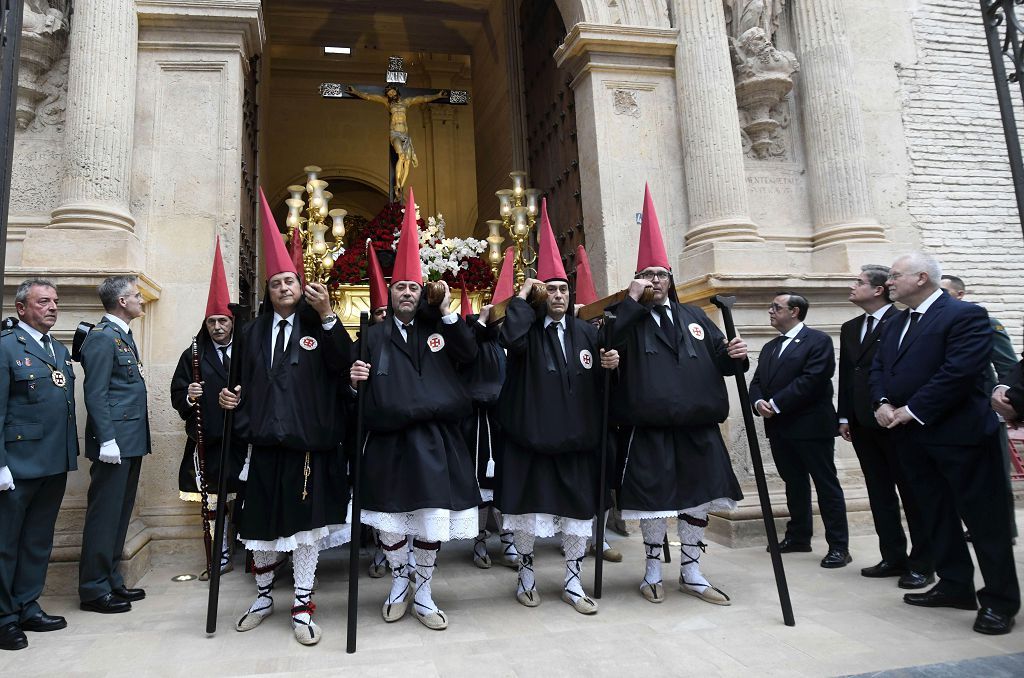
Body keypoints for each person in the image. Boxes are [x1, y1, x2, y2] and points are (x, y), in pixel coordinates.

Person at [221, 188, 352, 646]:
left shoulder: (320, 326)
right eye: (276, 283)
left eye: (290, 283)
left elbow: (345, 366)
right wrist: (229, 403)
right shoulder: (252, 332)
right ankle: (261, 596)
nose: (283, 289)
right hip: (262, 445)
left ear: (302, 288)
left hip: (306, 447)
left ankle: (302, 602)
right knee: (259, 526)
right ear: (268, 291)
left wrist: (329, 313)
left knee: (303, 532)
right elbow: (237, 382)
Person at [350, 188, 480, 631]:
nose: (406, 293)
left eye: (412, 287)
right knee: (390, 521)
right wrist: (355, 382)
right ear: (389, 291)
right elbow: (353, 383)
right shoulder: (372, 333)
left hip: (436, 439)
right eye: (399, 287)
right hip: (388, 439)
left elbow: (469, 357)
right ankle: (400, 582)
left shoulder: (437, 327)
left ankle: (423, 591)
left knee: (429, 520)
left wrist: (445, 311)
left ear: (421, 291)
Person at [610, 186, 745, 605]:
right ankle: (652, 570)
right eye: (647, 276)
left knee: (697, 498)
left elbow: (722, 361)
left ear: (671, 279)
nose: (655, 281)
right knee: (653, 502)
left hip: (698, 427)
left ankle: (691, 569)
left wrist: (736, 357)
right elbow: (608, 344)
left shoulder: (695, 316)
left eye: (661, 275)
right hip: (648, 427)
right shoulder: (624, 318)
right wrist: (631, 301)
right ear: (637, 281)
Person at [872, 252, 1019, 635]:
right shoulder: (896, 322)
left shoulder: (965, 315)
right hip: (911, 438)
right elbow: (879, 368)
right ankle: (955, 585)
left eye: (894, 275)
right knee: (933, 514)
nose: (888, 281)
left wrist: (913, 409)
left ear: (921, 278)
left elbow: (960, 370)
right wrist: (882, 403)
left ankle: (999, 601)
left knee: (985, 523)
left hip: (961, 436)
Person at [496, 200, 618, 615]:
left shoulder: (587, 332)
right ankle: (526, 575)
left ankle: (572, 579)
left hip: (577, 444)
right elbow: (507, 340)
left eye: (564, 288)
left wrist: (611, 367)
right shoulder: (526, 331)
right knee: (529, 516)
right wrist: (523, 296)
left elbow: (603, 383)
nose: (559, 295)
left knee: (577, 517)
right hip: (532, 442)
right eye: (551, 289)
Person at [838, 265, 933, 588]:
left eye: (859, 283)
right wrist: (844, 416)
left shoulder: (903, 321)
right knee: (879, 494)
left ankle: (922, 562)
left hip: (897, 421)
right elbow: (848, 376)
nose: (852, 287)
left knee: (912, 494)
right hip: (863, 423)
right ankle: (893, 556)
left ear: (878, 290)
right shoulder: (851, 327)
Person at [0, 280, 78, 651]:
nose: (52, 307)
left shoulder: (58, 349)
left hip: (52, 461)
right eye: (43, 301)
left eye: (55, 302)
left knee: (37, 540)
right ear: (20, 308)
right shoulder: (6, 347)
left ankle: (26, 604)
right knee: (6, 543)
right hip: (16, 464)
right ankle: (3, 617)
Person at [749, 291, 851, 568]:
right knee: (793, 483)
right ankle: (798, 536)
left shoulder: (818, 341)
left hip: (810, 426)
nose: (770, 311)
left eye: (776, 307)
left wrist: (776, 403)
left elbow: (813, 379)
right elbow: (757, 380)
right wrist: (758, 402)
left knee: (825, 485)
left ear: (794, 311)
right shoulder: (771, 347)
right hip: (780, 428)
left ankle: (839, 546)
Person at [169, 239, 245, 580]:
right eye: (212, 321)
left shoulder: (247, 352)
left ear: (232, 322)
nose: (218, 326)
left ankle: (254, 555)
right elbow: (176, 392)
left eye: (223, 320)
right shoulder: (194, 354)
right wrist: (190, 393)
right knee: (213, 503)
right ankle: (219, 556)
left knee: (243, 499)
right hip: (209, 440)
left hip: (242, 439)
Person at [78, 275, 150, 614]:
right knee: (104, 515)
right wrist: (106, 439)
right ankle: (93, 589)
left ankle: (110, 580)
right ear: (121, 301)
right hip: (115, 443)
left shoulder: (122, 336)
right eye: (136, 295)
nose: (141, 300)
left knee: (119, 514)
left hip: (130, 440)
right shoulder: (102, 338)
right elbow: (96, 393)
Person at [939, 274, 1018, 542]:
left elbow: (1007, 366)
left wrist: (1009, 404)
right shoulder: (939, 325)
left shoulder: (983, 322)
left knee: (996, 474)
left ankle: (1005, 530)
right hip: (953, 413)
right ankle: (977, 525)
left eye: (944, 291)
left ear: (960, 294)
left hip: (986, 409)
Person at [461, 265, 519, 570]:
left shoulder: (508, 344)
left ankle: (508, 538)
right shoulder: (472, 341)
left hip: (504, 420)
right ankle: (479, 538)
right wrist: (480, 324)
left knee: (505, 483)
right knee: (481, 483)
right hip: (477, 422)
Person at [345, 85, 447, 194]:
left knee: (407, 162)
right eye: (389, 94)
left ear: (397, 92)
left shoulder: (406, 102)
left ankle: (400, 186)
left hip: (405, 135)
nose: (391, 95)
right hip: (395, 134)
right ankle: (397, 184)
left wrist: (437, 95)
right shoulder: (387, 103)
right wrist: (355, 92)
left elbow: (423, 98)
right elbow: (369, 96)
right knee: (402, 156)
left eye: (392, 92)